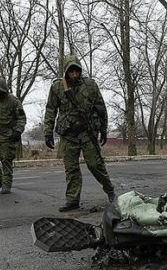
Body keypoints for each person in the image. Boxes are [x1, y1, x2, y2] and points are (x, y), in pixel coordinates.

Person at [43, 55, 115, 212]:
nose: (74, 74)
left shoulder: (90, 85)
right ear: (66, 72)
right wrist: (47, 132)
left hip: (87, 132)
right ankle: (73, 199)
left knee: (95, 165)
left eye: (77, 71)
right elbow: (50, 109)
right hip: (68, 133)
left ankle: (110, 191)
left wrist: (103, 129)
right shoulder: (57, 87)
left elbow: (101, 108)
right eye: (71, 71)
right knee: (71, 168)